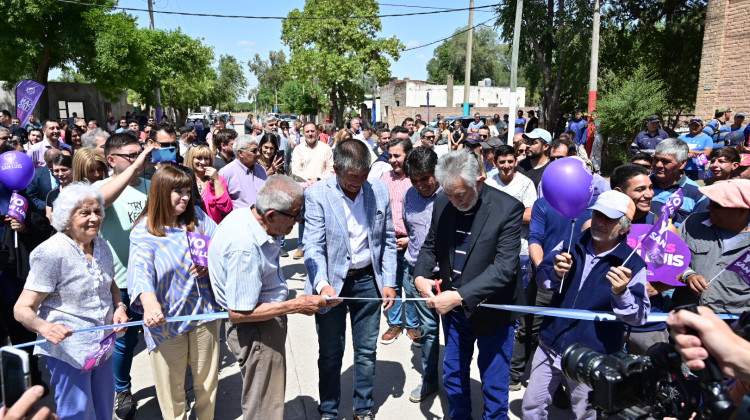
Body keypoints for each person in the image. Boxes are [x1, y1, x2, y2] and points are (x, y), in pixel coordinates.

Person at [413, 150, 525, 419]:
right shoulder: (443, 202)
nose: (454, 201)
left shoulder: (508, 209)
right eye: (449, 194)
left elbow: (504, 269)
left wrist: (460, 295)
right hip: (454, 314)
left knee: (495, 385)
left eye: (460, 194)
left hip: (494, 313)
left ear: (480, 180)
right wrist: (419, 276)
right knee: (453, 375)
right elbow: (430, 246)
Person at [208, 175, 331, 420]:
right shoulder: (245, 246)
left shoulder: (247, 218)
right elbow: (239, 313)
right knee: (264, 405)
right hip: (257, 333)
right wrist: (295, 305)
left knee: (263, 398)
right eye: (294, 215)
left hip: (262, 328)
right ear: (272, 214)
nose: (298, 221)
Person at [522, 190, 650, 419]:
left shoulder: (633, 264)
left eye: (608, 218)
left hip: (593, 355)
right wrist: (555, 273)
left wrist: (620, 293)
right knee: (532, 406)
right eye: (597, 214)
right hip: (550, 343)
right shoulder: (571, 242)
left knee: (587, 414)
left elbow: (639, 316)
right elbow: (542, 280)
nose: (599, 222)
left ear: (625, 227)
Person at [14, 183, 129, 420]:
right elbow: (22, 309)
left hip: (103, 347)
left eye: (97, 211)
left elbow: (110, 284)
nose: (94, 218)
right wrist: (45, 328)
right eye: (85, 213)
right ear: (66, 217)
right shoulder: (51, 253)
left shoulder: (102, 245)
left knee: (104, 411)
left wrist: (119, 307)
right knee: (78, 414)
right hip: (69, 353)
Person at [303, 139, 397, 420]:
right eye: (353, 177)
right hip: (331, 283)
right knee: (331, 353)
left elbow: (387, 240)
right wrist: (322, 285)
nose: (360, 182)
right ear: (336, 170)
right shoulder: (318, 194)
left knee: (366, 351)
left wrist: (389, 281)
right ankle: (329, 410)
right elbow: (312, 246)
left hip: (368, 280)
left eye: (364, 174)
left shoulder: (378, 189)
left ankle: (363, 408)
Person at [127, 166, 222, 420]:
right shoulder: (143, 231)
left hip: (204, 315)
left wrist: (209, 263)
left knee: (207, 385)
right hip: (165, 322)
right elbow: (140, 271)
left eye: (188, 191)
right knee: (171, 390)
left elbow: (223, 249)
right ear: (160, 192)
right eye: (178, 191)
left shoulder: (199, 219)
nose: (186, 197)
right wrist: (149, 303)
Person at [95, 133, 154, 420]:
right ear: (112, 160)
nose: (138, 159)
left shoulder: (152, 186)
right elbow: (103, 201)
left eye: (140, 153)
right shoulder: (98, 189)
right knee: (125, 342)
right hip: (120, 283)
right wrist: (135, 167)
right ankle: (122, 389)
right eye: (131, 156)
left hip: (154, 280)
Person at [401, 147, 442, 402]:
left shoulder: (451, 195)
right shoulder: (409, 195)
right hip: (414, 272)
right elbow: (411, 232)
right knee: (427, 330)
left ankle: (455, 380)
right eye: (414, 181)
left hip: (444, 277)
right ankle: (429, 379)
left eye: (425, 179)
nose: (420, 186)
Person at [672, 179, 750, 315]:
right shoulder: (693, 222)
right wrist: (688, 274)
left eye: (717, 205)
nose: (709, 208)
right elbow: (672, 256)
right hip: (687, 314)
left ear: (742, 211)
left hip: (734, 321)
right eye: (710, 202)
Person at [379, 137, 419, 346]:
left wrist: (410, 240)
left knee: (410, 285)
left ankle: (413, 324)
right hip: (389, 243)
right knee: (391, 284)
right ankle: (395, 323)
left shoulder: (417, 180)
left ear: (408, 155)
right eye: (390, 156)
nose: (393, 160)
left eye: (397, 156)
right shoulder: (384, 180)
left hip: (412, 243)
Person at [290, 122, 335, 260]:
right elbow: (296, 170)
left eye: (312, 131)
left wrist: (319, 179)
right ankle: (301, 246)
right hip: (304, 189)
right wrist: (309, 182)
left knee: (323, 217)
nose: (310, 134)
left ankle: (323, 245)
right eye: (307, 131)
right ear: (304, 133)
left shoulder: (325, 148)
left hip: (322, 187)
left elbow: (331, 169)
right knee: (303, 218)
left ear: (317, 132)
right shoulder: (298, 149)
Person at [650, 138, 707, 226]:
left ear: (682, 163)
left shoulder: (698, 194)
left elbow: (699, 230)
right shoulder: (639, 184)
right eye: (656, 159)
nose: (658, 165)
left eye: (666, 161)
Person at [184, 143, 233, 223]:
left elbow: (226, 208)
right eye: (199, 158)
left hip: (212, 229)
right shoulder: (184, 179)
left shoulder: (218, 179)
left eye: (206, 158)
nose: (203, 162)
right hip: (191, 228)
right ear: (190, 159)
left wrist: (216, 180)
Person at [218, 134, 267, 208]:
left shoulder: (261, 169)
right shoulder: (226, 173)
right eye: (254, 151)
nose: (258, 153)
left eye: (258, 150)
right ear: (240, 153)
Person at [26, 148, 62, 214]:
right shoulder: (36, 175)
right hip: (45, 216)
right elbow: (31, 198)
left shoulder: (69, 172)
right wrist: (50, 207)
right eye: (51, 161)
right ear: (47, 162)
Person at [45, 154, 73, 223]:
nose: (60, 174)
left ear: (73, 169)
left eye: (64, 170)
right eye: (56, 171)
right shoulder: (52, 194)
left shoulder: (83, 191)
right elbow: (49, 219)